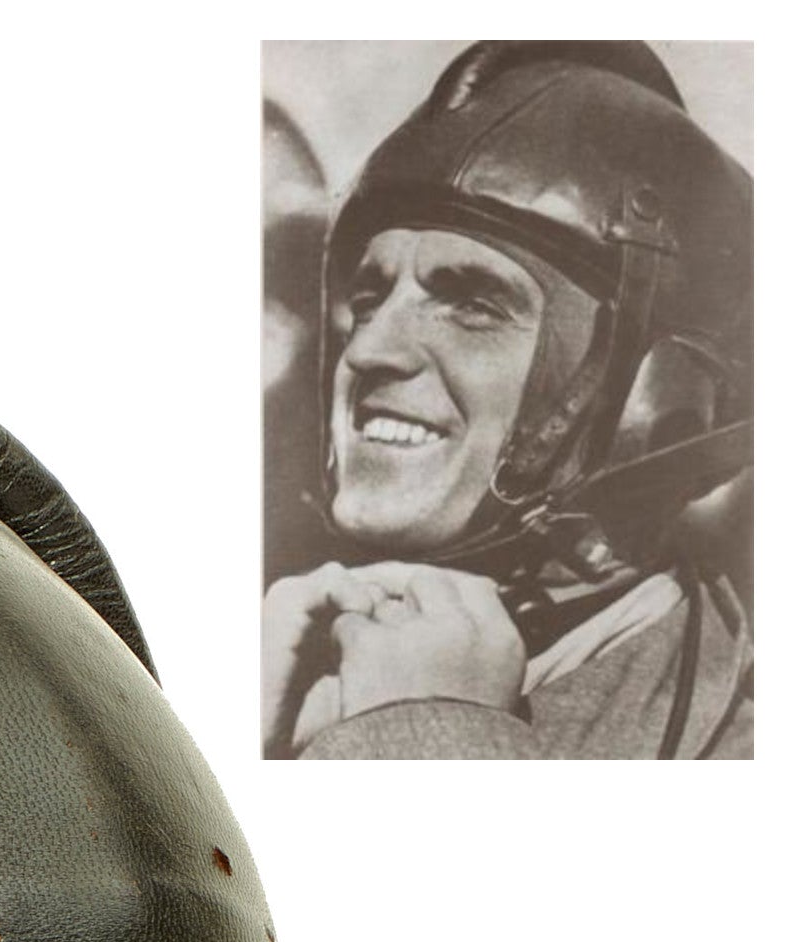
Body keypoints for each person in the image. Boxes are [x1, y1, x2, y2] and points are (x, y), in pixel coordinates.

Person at [262, 42, 753, 759]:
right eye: (369, 299)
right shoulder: (280, 663)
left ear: (653, 405)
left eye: (472, 304)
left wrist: (429, 737)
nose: (367, 351)